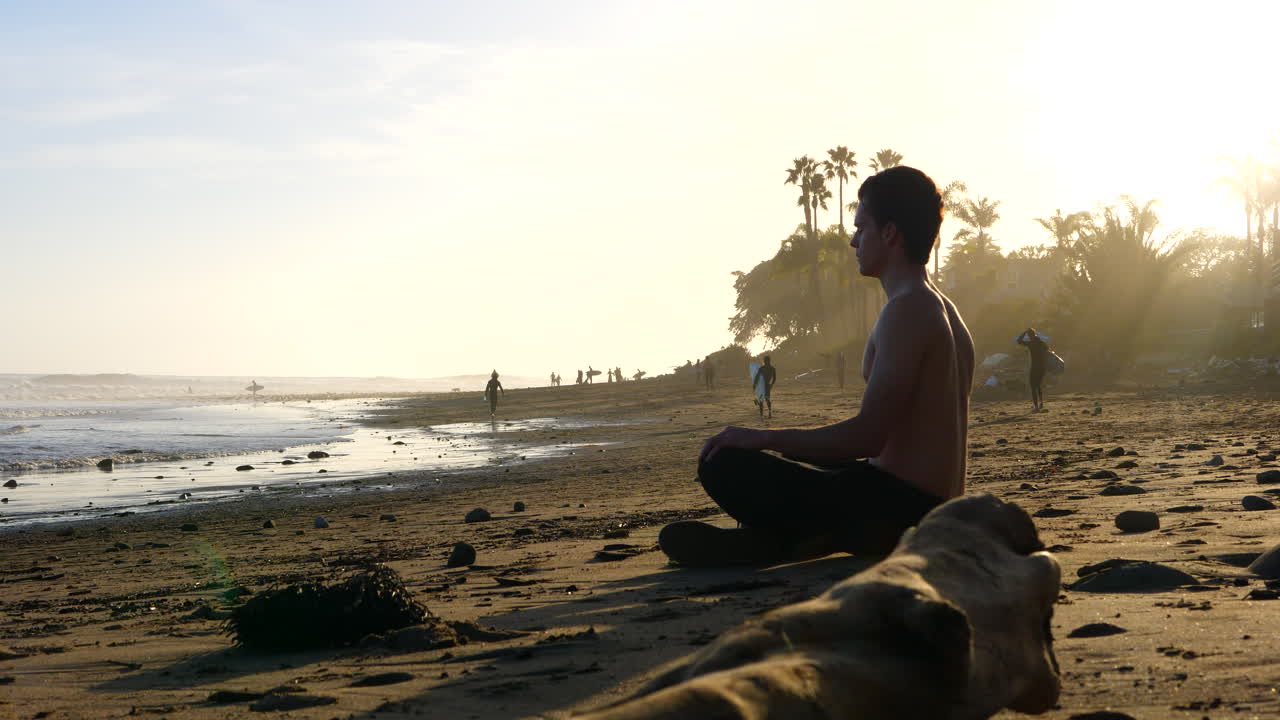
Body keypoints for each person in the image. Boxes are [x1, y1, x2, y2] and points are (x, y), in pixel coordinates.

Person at [659, 166, 975, 567]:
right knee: (800, 461)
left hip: (899, 511)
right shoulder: (944, 309)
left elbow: (867, 438)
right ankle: (784, 539)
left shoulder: (907, 310)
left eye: (861, 228)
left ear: (890, 233)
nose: (852, 239)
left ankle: (794, 536)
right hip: (927, 502)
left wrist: (763, 438)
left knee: (722, 462)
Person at [1017, 328, 1050, 412]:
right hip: (1042, 367)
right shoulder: (1041, 343)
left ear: (1029, 335)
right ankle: (1041, 402)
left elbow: (1019, 340)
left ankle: (1036, 407)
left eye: (1028, 335)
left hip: (1035, 367)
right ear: (1035, 334)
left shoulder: (1031, 343)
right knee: (1038, 385)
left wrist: (1024, 332)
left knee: (1033, 387)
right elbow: (1047, 350)